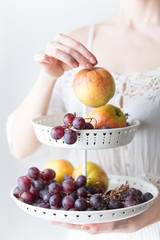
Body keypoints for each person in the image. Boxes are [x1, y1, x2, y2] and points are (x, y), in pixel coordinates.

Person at [7, 0, 160, 239]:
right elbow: (21, 146)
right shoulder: (80, 41)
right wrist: (47, 77)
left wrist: (147, 216)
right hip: (91, 229)